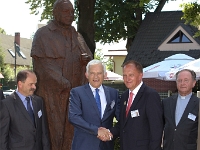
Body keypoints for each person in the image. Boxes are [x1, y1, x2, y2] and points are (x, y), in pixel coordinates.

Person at [31, 0, 92, 149]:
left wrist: (86, 60)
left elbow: (90, 60)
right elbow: (42, 64)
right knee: (53, 133)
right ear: (55, 12)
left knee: (72, 132)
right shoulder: (43, 34)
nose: (70, 15)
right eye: (66, 11)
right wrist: (60, 80)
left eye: (72, 12)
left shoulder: (76, 35)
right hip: (52, 95)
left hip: (74, 93)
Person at [110, 60, 164, 150]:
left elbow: (156, 129)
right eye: (125, 75)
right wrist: (109, 132)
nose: (127, 79)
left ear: (140, 76)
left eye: (131, 75)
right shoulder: (124, 96)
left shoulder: (150, 95)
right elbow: (123, 124)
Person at [68, 59, 120, 150]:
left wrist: (110, 132)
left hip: (106, 146)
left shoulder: (113, 93)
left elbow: (122, 119)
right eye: (92, 73)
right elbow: (74, 117)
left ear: (105, 75)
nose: (96, 76)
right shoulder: (77, 92)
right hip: (84, 146)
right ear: (86, 75)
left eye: (99, 73)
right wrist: (97, 131)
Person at [0, 70, 50, 150]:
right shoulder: (6, 104)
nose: (34, 87)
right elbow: (2, 138)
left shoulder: (39, 101)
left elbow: (44, 131)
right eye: (31, 84)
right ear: (20, 84)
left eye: (35, 84)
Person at [162, 69, 199, 150]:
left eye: (186, 80)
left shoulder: (198, 104)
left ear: (193, 83)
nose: (182, 83)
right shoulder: (166, 102)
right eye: (179, 80)